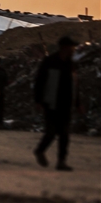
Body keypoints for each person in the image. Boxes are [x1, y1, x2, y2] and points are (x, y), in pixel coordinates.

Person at [33, 36, 83, 171]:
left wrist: (77, 103)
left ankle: (61, 161)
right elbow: (39, 82)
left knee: (64, 134)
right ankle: (40, 150)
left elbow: (75, 85)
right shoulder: (50, 62)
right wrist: (38, 101)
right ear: (64, 47)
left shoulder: (71, 64)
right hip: (51, 103)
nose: (73, 50)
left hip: (66, 104)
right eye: (71, 47)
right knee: (51, 132)